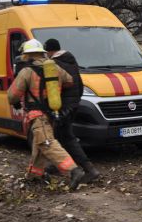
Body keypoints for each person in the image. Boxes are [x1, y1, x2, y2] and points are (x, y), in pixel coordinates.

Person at [8, 39, 85, 190]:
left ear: (27, 55)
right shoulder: (54, 68)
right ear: (42, 53)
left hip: (37, 115)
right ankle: (35, 175)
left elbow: (12, 96)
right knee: (39, 144)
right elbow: (69, 81)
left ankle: (73, 171)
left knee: (46, 143)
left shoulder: (27, 71)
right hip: (51, 113)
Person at [44, 38, 100, 183]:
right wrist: (75, 103)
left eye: (47, 52)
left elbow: (54, 89)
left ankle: (89, 169)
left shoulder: (54, 64)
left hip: (62, 106)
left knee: (67, 137)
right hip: (73, 105)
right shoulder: (71, 61)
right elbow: (79, 84)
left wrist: (58, 107)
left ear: (50, 51)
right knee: (59, 136)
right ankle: (60, 164)